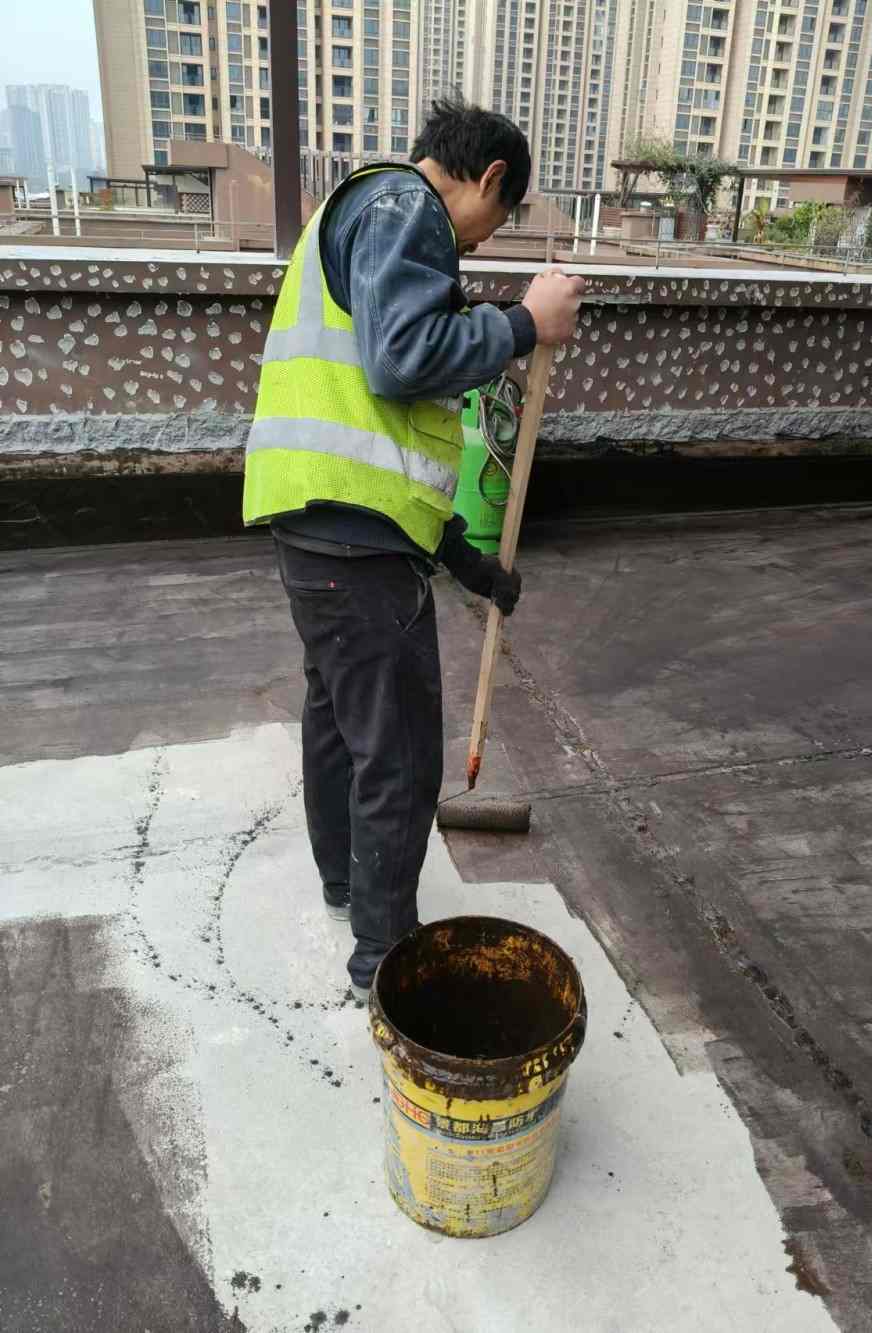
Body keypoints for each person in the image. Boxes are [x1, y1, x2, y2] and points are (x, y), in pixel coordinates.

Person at [242, 98, 585, 1001]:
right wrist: (525, 322)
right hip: (355, 545)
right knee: (396, 756)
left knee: (340, 724)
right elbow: (402, 360)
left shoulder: (362, 208)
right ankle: (384, 961)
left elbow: (384, 440)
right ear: (491, 177)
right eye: (494, 221)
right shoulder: (408, 208)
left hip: (321, 526)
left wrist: (472, 567)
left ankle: (347, 888)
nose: (479, 242)